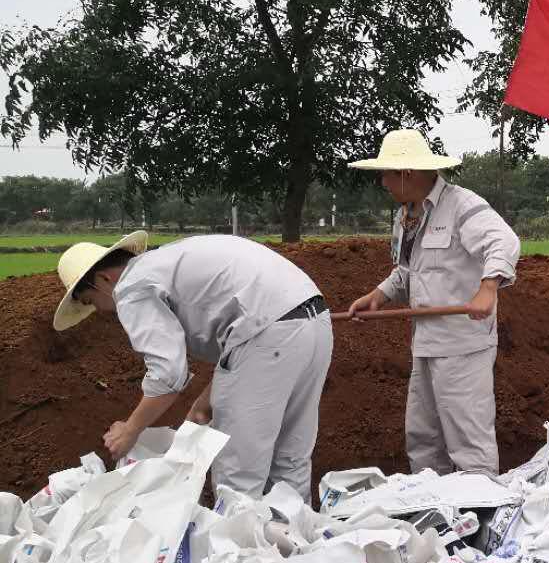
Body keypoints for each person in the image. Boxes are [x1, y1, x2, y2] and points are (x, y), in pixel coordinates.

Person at [53, 231, 333, 498]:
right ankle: (295, 540)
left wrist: (130, 430)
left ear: (104, 279)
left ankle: (236, 544)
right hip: (313, 321)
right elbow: (244, 340)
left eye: (91, 301)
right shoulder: (168, 261)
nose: (101, 310)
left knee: (238, 476)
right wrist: (205, 401)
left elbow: (168, 374)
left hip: (266, 335)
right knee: (289, 460)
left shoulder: (131, 285)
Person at [347, 129, 519, 475]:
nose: (382, 182)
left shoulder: (462, 205)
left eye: (385, 174)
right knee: (422, 437)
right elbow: (408, 270)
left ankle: (479, 519)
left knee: (468, 441)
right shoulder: (405, 216)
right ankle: (435, 513)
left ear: (407, 173)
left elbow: (503, 241)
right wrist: (379, 295)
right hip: (425, 343)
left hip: (462, 345)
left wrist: (488, 287)